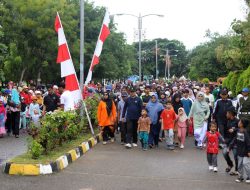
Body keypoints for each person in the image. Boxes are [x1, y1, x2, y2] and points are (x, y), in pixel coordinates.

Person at [229, 119, 250, 183]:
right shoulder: (238, 131)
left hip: (246, 152)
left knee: (245, 164)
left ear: (242, 124)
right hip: (240, 151)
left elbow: (248, 142)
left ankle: (248, 177)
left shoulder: (245, 132)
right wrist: (230, 146)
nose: (238, 122)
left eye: (240, 122)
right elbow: (235, 139)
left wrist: (249, 151)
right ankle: (241, 177)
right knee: (239, 165)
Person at [223, 107, 239, 175]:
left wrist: (234, 129)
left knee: (236, 155)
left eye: (227, 113)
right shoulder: (228, 120)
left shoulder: (238, 121)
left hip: (236, 141)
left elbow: (241, 129)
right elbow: (226, 131)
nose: (226, 114)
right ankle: (230, 164)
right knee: (224, 153)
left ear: (231, 114)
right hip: (229, 140)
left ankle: (236, 170)